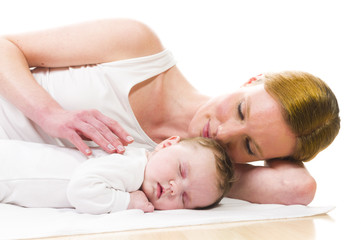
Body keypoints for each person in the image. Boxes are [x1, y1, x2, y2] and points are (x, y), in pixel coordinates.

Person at [0, 18, 340, 205]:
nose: (223, 133)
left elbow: (295, 189)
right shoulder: (137, 47)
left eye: (250, 146)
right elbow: (6, 46)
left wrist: (217, 177)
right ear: (252, 79)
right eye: (240, 109)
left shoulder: (189, 179)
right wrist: (50, 114)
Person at [0, 136, 234, 214]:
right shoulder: (131, 167)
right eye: (181, 171)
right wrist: (127, 202)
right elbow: (80, 188)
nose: (175, 188)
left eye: (185, 199)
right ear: (165, 145)